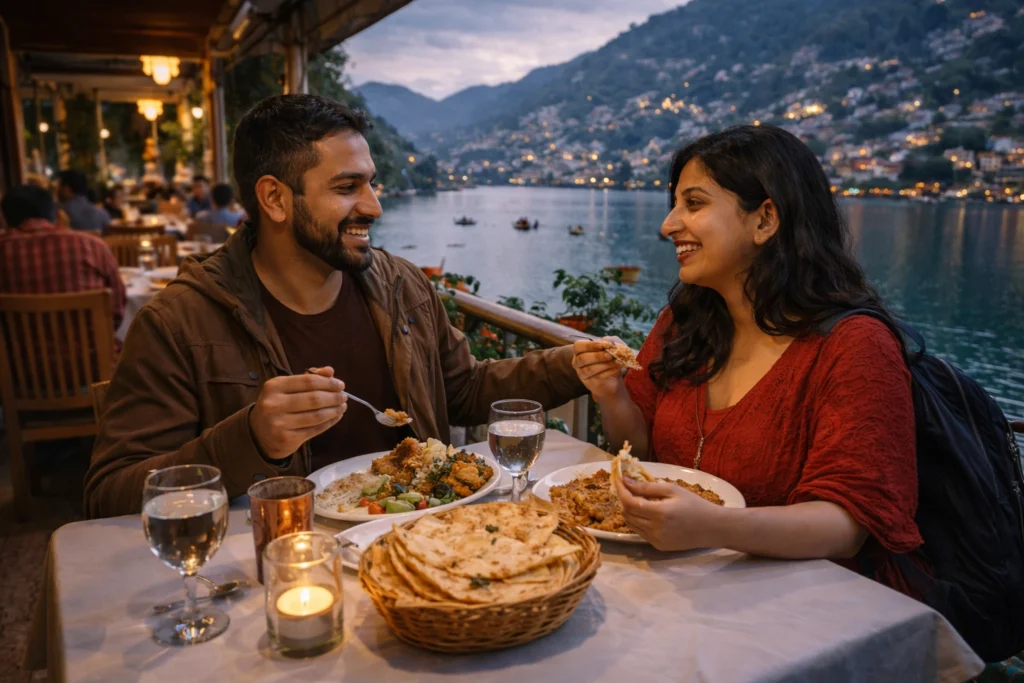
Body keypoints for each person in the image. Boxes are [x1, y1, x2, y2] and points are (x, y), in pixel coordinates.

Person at [85, 94, 585, 518]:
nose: (373, 206)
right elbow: (110, 496)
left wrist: (571, 363)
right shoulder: (178, 322)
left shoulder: (401, 286)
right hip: (281, 564)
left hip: (419, 544)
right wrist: (250, 439)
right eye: (347, 188)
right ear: (275, 199)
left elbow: (464, 388)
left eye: (371, 182)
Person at [572, 125, 921, 595]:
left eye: (693, 204)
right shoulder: (683, 323)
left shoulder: (854, 347)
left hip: (797, 605)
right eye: (674, 205)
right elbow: (641, 450)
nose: (668, 225)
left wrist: (712, 527)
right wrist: (611, 393)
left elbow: (846, 525)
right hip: (675, 585)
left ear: (765, 220)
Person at [0, 184, 126, 337]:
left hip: (17, 359)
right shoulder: (92, 246)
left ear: (5, 220)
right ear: (53, 213)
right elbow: (117, 311)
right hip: (95, 358)